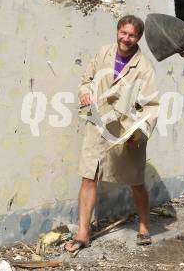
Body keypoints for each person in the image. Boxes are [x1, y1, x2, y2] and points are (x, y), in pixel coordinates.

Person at [65, 15, 159, 252]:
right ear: (117, 31)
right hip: (98, 124)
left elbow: (151, 106)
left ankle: (144, 226)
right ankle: (83, 233)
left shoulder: (144, 67)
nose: (126, 39)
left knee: (136, 181)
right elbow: (85, 81)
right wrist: (85, 92)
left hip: (128, 132)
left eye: (132, 35)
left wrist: (139, 133)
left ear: (139, 38)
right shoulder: (103, 54)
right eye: (123, 33)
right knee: (89, 176)